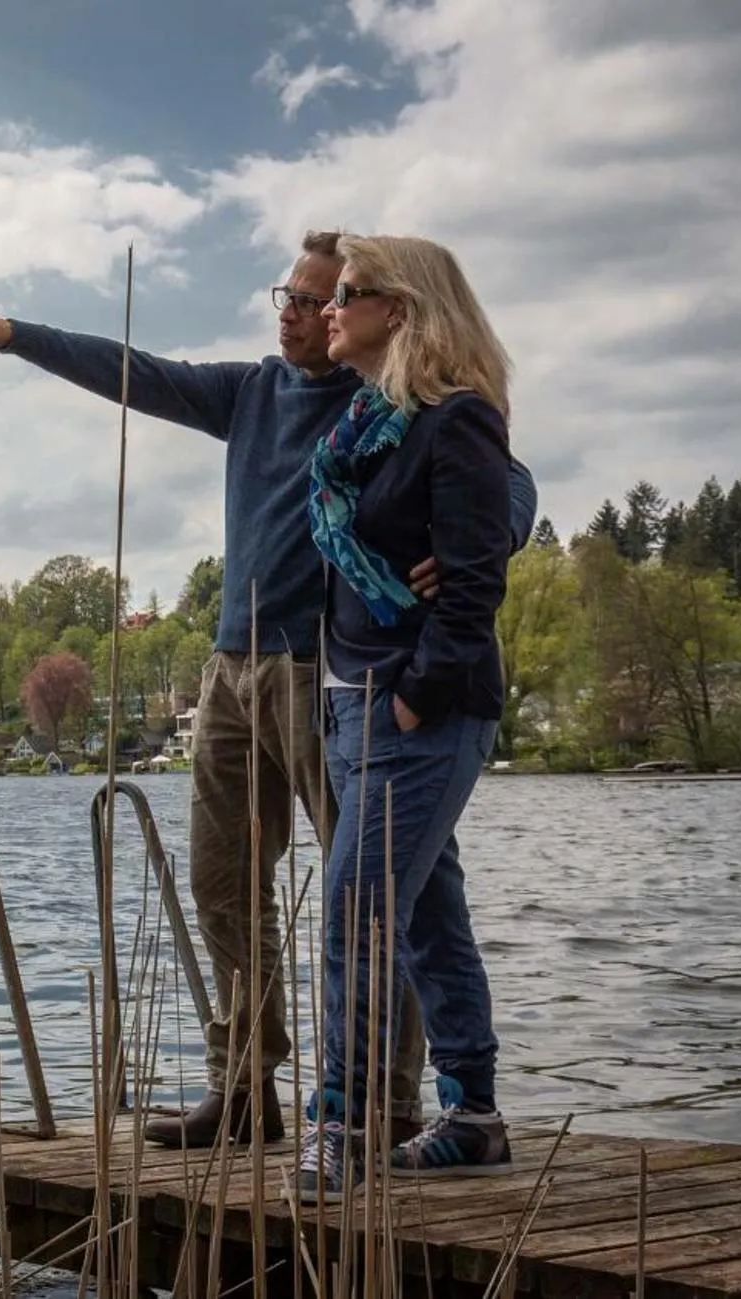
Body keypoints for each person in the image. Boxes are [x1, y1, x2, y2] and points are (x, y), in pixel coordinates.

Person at [0, 231, 535, 1149]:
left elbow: (509, 483)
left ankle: (389, 1103)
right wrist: (13, 334)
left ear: (364, 308)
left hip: (327, 672)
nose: (296, 314)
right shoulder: (253, 391)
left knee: (374, 893)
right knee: (223, 884)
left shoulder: (384, 397)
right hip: (228, 671)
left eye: (317, 299)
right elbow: (133, 369)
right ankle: (245, 1086)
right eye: (287, 298)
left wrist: (473, 554)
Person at [290, 233, 519, 1202]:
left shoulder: (453, 421)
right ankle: (470, 1117)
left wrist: (419, 695)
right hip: (351, 709)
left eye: (347, 294)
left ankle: (339, 1125)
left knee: (353, 912)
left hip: (417, 711)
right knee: (425, 913)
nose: (328, 308)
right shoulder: (364, 431)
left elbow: (473, 585)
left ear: (403, 307)